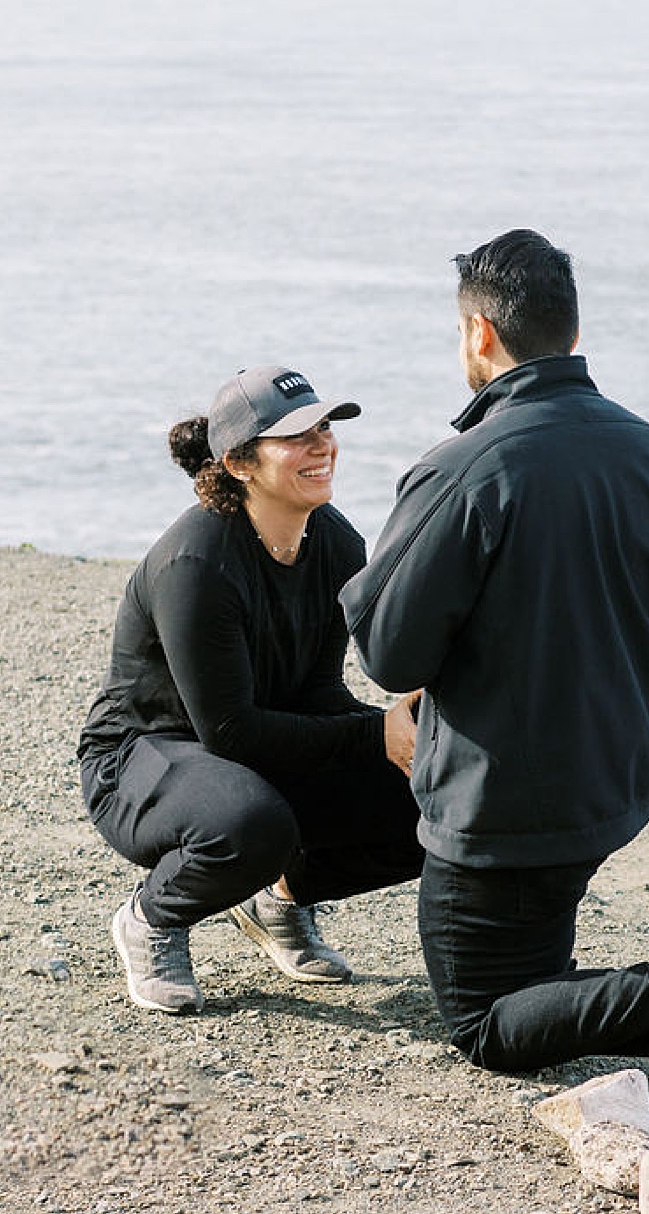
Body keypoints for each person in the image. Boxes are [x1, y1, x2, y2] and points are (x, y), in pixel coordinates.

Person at [341, 230, 649, 1108]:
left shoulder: (468, 467)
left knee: (481, 1021)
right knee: (536, 973)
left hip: (506, 795)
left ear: (479, 335)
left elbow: (388, 650)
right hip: (619, 767)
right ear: (571, 331)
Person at [79, 365, 423, 1014]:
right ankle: (151, 918)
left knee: (437, 792)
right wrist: (376, 730)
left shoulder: (335, 543)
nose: (322, 444)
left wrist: (405, 737)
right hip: (142, 756)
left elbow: (317, 692)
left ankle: (277, 902)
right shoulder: (196, 562)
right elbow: (229, 731)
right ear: (239, 463)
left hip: (246, 749)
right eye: (296, 434)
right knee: (251, 824)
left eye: (325, 426)